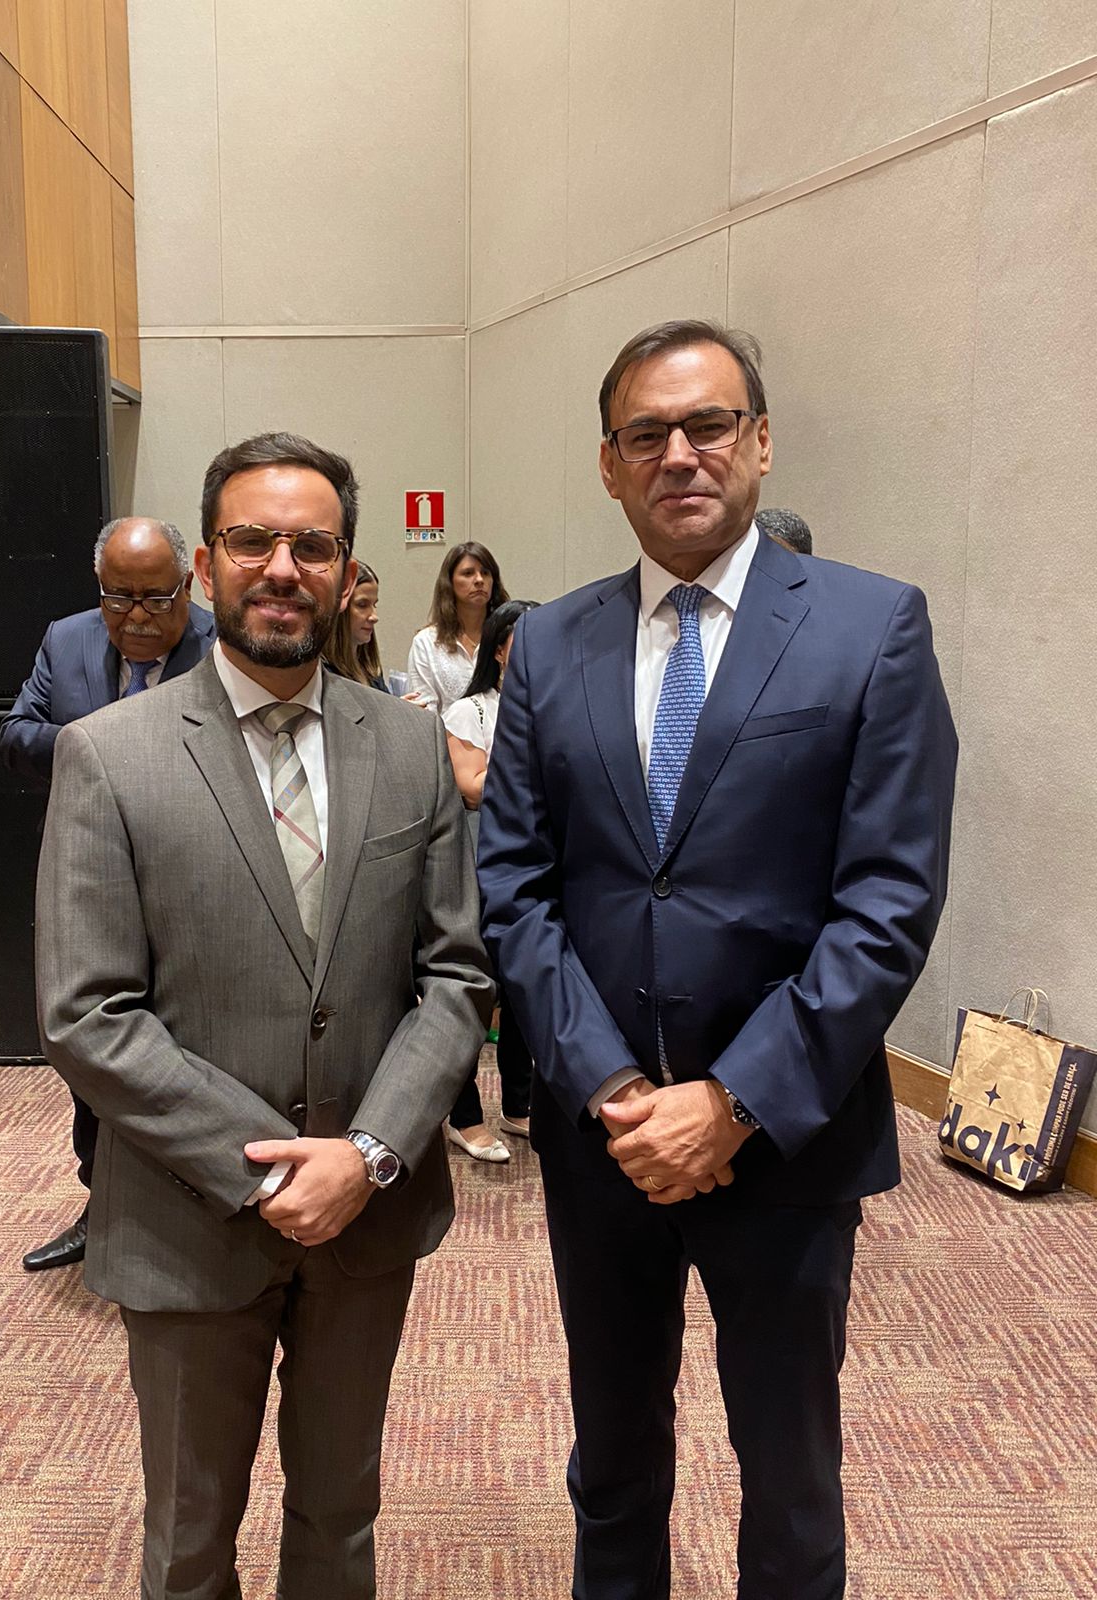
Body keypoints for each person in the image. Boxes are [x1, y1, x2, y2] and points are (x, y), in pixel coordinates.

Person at [478, 319, 957, 1600]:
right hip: (605, 1139)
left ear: (760, 440)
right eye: (647, 433)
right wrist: (609, 1085)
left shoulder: (872, 625)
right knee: (613, 1458)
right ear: (609, 463)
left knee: (789, 1477)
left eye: (708, 425)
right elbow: (513, 887)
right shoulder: (551, 644)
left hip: (787, 1139)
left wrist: (734, 1101)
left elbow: (889, 900)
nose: (679, 454)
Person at [35, 430, 491, 1600]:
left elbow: (455, 975)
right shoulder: (107, 755)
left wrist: (369, 1153)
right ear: (206, 564)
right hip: (187, 1217)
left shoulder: (412, 748)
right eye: (252, 541)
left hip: (369, 1218)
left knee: (341, 1517)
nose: (282, 567)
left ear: (345, 571)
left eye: (312, 546)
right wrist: (274, 1166)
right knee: (189, 1537)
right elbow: (87, 1012)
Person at [0, 516, 216, 1272]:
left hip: (190, 892)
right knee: (91, 1056)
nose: (137, 617)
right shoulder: (66, 641)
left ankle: (191, 1217)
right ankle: (103, 1206)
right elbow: (16, 733)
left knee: (180, 1058)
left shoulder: (223, 646)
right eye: (118, 598)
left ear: (186, 586)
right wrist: (94, 745)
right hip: (90, 886)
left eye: (156, 598)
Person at [441, 599, 538, 1162]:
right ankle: (464, 1117)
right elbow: (471, 786)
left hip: (539, 863)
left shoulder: (554, 703)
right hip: (481, 862)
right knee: (474, 989)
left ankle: (519, 1104)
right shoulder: (471, 711)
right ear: (499, 649)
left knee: (527, 989)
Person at [405, 540, 509, 711]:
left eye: (485, 573)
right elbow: (423, 712)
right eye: (468, 573)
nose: (479, 580)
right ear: (450, 582)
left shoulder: (509, 637)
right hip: (444, 728)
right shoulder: (426, 642)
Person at [323, 559, 388, 690]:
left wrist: (396, 702)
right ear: (339, 607)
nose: (374, 617)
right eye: (362, 605)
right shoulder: (324, 676)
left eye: (374, 605)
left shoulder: (370, 669)